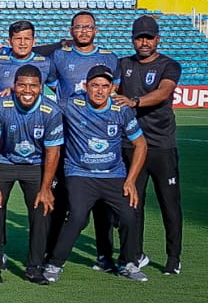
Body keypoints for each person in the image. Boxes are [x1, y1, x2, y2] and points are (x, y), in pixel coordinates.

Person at [44, 65, 148, 283]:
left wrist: (130, 181)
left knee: (129, 215)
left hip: (114, 175)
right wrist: (9, 92)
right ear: (85, 86)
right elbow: (42, 104)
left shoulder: (121, 110)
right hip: (80, 173)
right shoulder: (71, 104)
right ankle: (54, 263)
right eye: (94, 86)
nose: (99, 91)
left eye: (104, 86)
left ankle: (128, 263)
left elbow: (140, 145)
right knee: (78, 217)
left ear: (112, 88)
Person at [0, 64, 63, 284]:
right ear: (14, 85)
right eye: (23, 85)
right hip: (3, 161)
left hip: (35, 165)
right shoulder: (0, 106)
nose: (28, 90)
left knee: (43, 208)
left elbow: (52, 152)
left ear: (41, 87)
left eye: (34, 86)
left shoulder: (51, 111)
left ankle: (35, 267)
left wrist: (46, 189)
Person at [113, 15, 182, 275]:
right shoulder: (123, 64)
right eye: (139, 37)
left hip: (161, 146)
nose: (143, 42)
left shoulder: (169, 65)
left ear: (157, 39)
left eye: (148, 37)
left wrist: (135, 101)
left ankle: (173, 257)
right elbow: (110, 87)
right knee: (132, 203)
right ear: (132, 39)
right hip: (130, 145)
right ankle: (133, 255)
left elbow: (164, 92)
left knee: (169, 204)